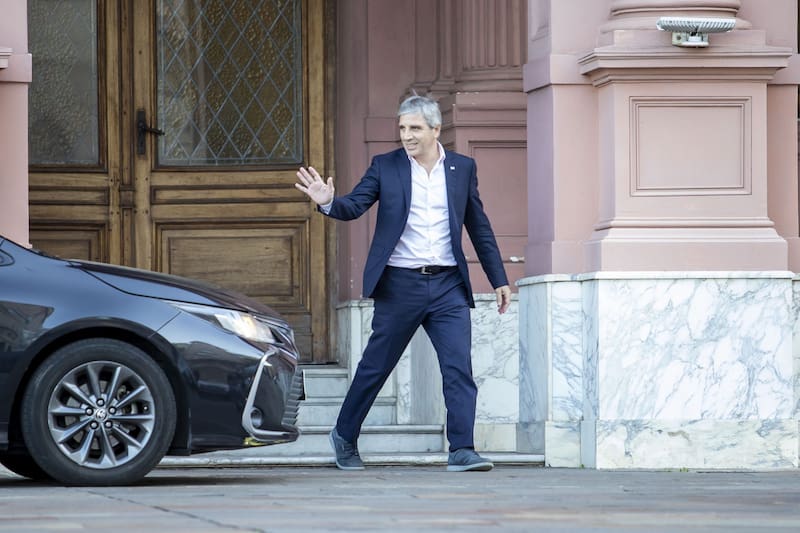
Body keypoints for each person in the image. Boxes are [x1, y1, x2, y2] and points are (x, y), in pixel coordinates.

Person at [295, 94, 511, 472]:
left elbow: (478, 226)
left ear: (435, 130)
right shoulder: (386, 166)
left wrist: (499, 279)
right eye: (402, 128)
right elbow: (354, 205)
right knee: (376, 367)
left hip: (448, 285)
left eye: (415, 128)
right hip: (399, 285)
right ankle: (344, 435)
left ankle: (462, 448)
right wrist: (328, 202)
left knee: (458, 368)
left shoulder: (462, 168)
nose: (407, 135)